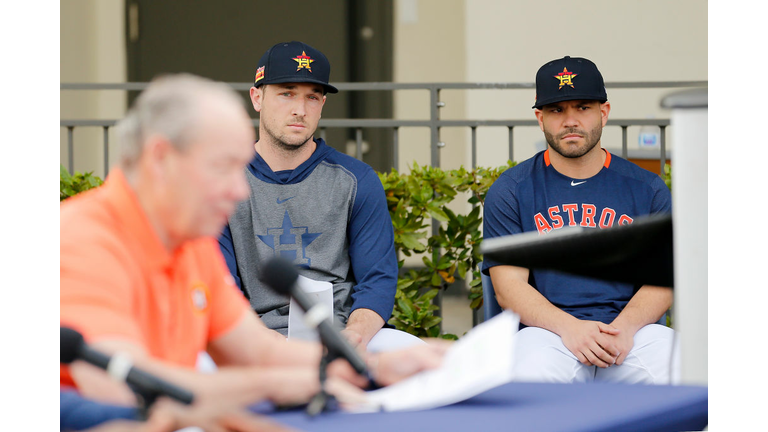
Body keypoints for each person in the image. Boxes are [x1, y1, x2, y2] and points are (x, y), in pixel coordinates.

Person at [60, 73, 448, 409]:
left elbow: (256, 351)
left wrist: (375, 367)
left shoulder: (188, 240)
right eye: (222, 167)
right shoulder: (80, 239)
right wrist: (284, 384)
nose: (239, 190)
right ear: (161, 158)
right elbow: (124, 390)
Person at [482, 56, 677, 384]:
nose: (570, 120)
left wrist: (624, 329)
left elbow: (662, 280)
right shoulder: (512, 190)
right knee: (531, 375)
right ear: (539, 118)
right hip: (548, 335)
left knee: (681, 368)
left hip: (630, 332)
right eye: (557, 110)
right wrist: (571, 329)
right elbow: (509, 287)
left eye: (582, 107)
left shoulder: (647, 188)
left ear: (604, 112)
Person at [219, 41, 420, 352]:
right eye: (287, 93)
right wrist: (266, 344)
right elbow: (219, 287)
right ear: (257, 97)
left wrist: (353, 336)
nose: (300, 109)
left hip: (343, 333)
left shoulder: (357, 179)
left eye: (312, 97)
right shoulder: (221, 183)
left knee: (421, 362)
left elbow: (377, 281)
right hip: (252, 338)